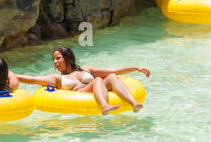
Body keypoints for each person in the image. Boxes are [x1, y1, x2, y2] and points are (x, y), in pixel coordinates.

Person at [16, 46, 149, 114]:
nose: (55, 62)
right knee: (97, 80)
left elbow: (113, 70)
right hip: (82, 94)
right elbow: (33, 79)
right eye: (54, 60)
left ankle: (134, 103)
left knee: (112, 77)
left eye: (58, 58)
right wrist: (13, 75)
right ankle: (104, 106)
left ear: (68, 57)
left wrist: (136, 68)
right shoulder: (58, 78)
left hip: (97, 87)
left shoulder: (87, 70)